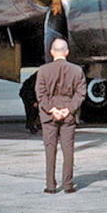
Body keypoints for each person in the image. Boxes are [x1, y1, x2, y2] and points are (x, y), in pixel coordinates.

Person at [35, 38, 87, 193]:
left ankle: (51, 186)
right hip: (68, 116)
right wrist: (68, 110)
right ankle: (68, 185)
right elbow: (81, 93)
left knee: (50, 150)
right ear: (67, 52)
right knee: (68, 149)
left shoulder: (43, 71)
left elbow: (40, 94)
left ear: (51, 52)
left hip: (48, 116)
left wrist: (52, 110)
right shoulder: (77, 70)